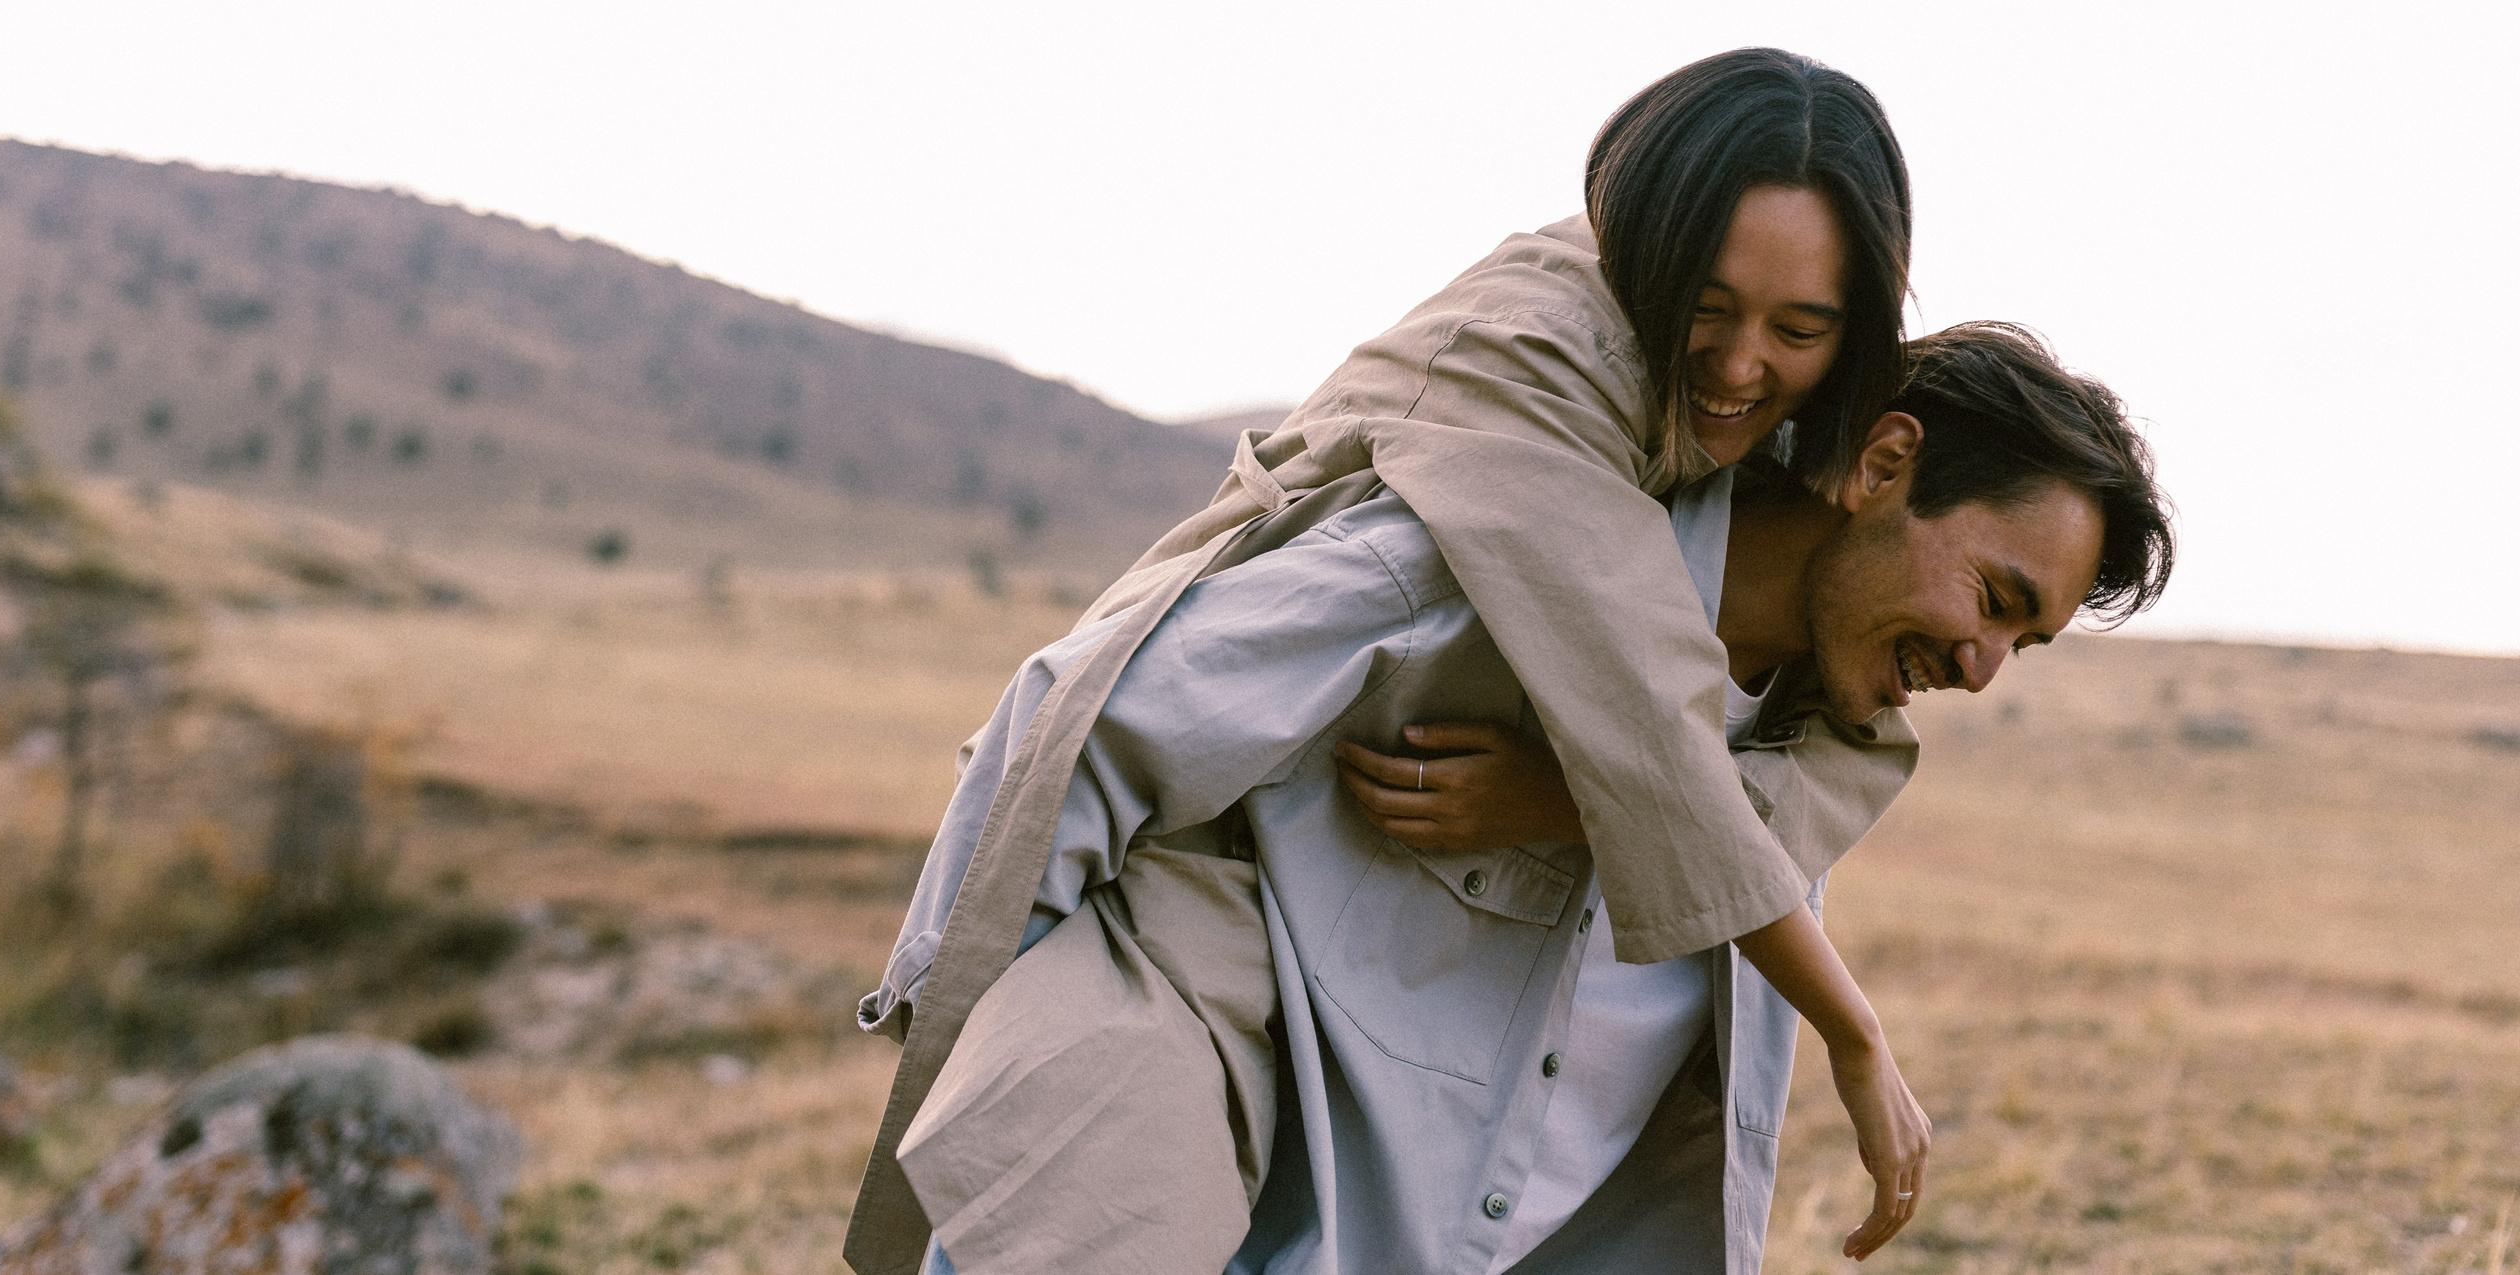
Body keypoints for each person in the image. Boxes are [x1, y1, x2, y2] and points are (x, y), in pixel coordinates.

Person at [846, 48, 1918, 1272]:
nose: (1736, 368)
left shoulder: (1769, 489)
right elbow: (1652, 729)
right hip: (1183, 873)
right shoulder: (1542, 386)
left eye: (1800, 329)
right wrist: (988, 998)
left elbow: (1793, 765)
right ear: (1644, 256)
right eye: (1708, 309)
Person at [878, 324, 2172, 1275]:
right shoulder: (1479, 564)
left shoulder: (1810, 764)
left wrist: (1598, 801)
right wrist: (999, 1059)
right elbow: (1083, 720)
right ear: (1884, 462)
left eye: (2027, 642)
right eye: (1995, 598)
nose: (1981, 666)